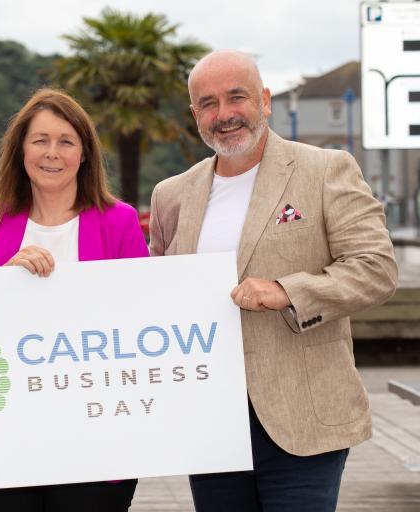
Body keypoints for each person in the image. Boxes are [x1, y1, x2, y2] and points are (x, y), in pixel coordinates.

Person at [149, 50, 397, 512]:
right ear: (194, 114)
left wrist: (288, 292)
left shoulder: (326, 170)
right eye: (207, 103)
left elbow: (376, 268)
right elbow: (158, 294)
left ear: (264, 100)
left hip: (303, 420)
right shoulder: (171, 195)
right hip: (211, 425)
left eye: (236, 97)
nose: (223, 115)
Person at [0, 88, 148, 511]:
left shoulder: (120, 222)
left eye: (66, 141)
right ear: (21, 150)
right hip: (3, 437)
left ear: (84, 154)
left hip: (95, 440)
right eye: (40, 140)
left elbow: (141, 317)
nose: (52, 152)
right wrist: (4, 281)